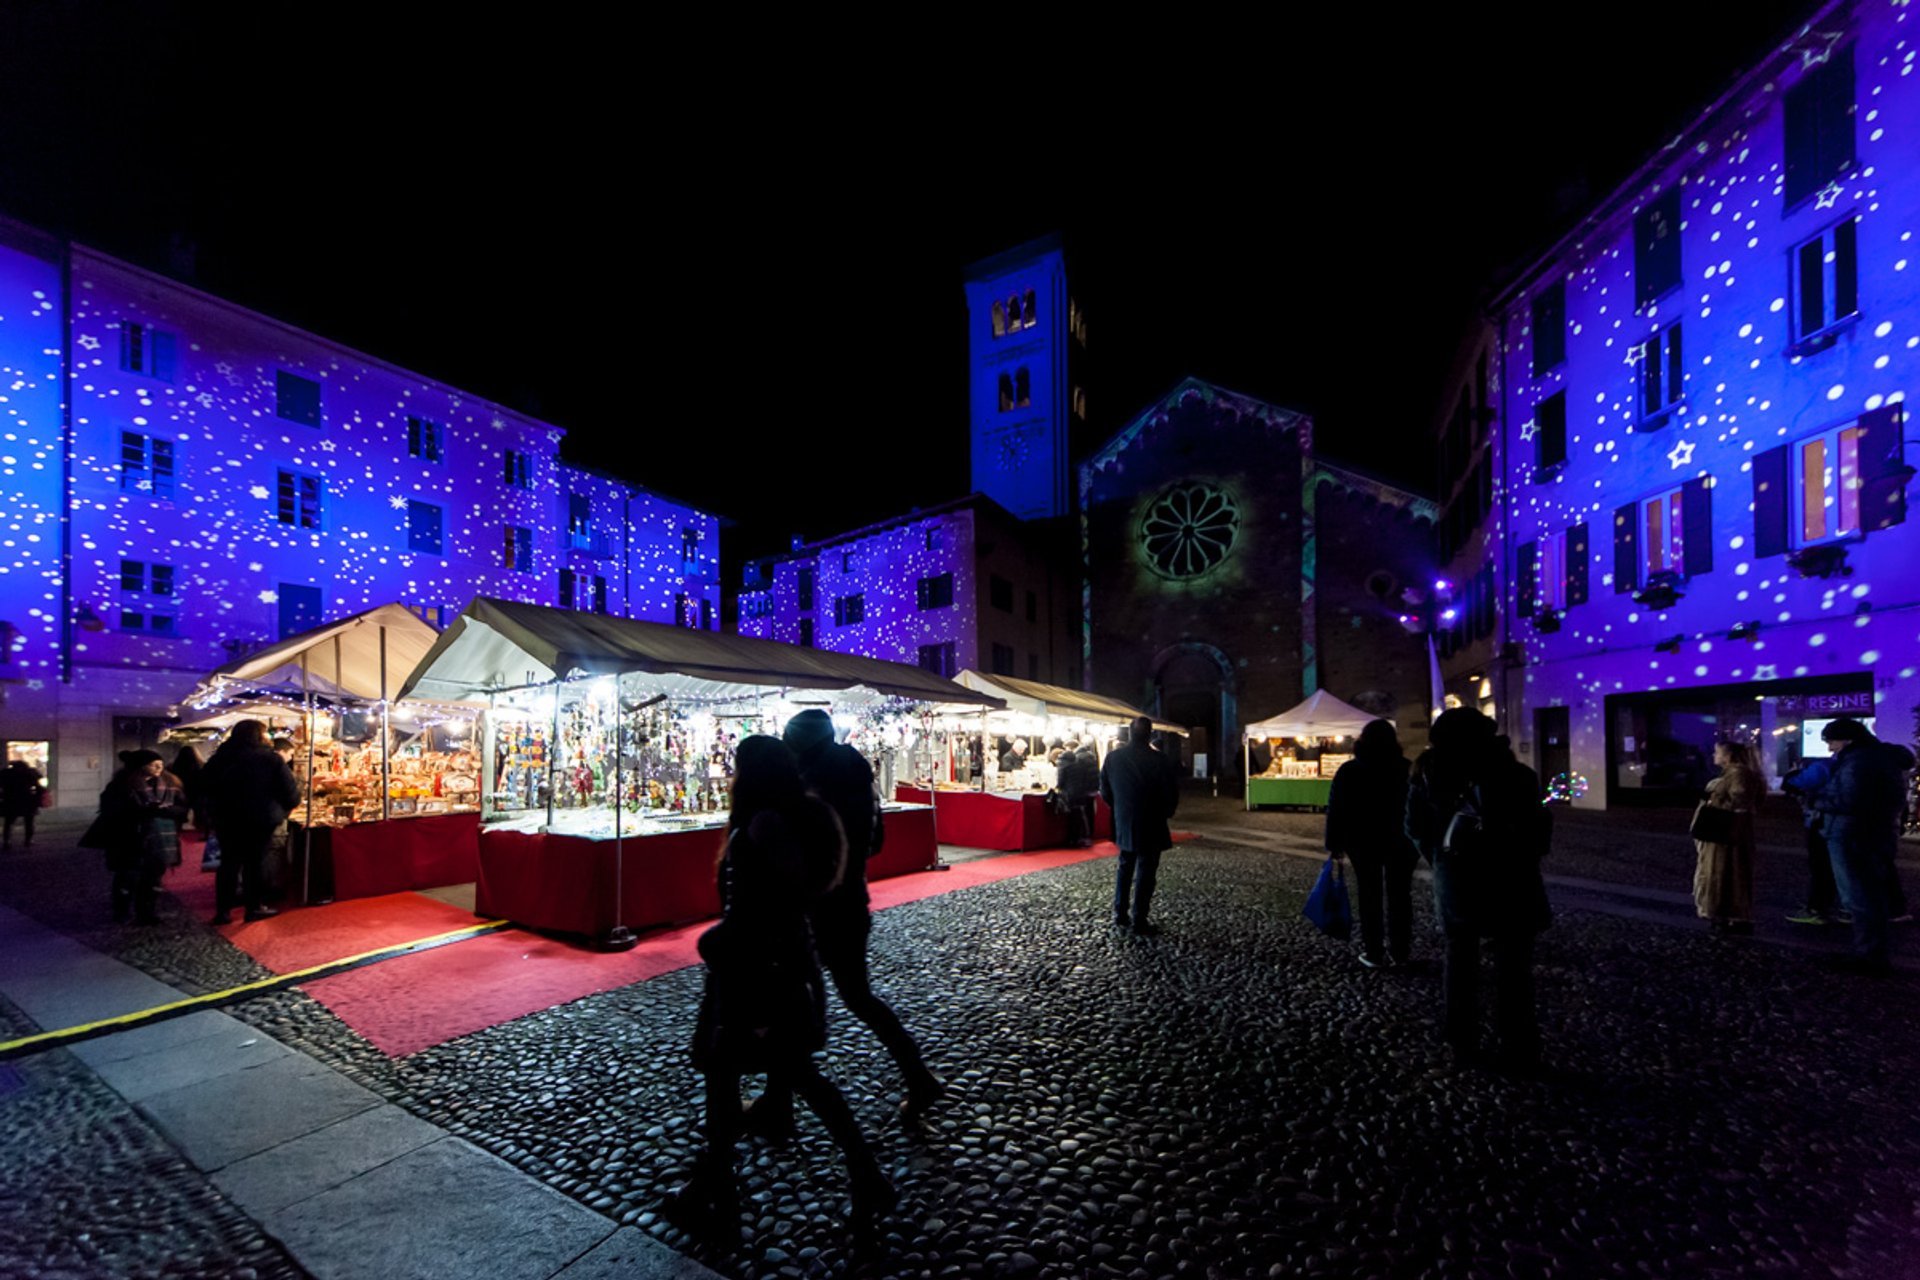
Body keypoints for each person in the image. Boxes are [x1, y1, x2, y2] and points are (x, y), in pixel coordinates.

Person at [666, 735, 896, 1239]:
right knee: (743, 1072)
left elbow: (778, 895)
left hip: (758, 966)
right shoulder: (789, 815)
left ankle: (723, 1189)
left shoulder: (766, 823)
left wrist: (728, 935)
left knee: (767, 1072)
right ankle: (717, 1186)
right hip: (764, 961)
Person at [744, 710, 942, 1135]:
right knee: (836, 997)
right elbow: (877, 839)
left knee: (809, 999)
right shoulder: (854, 772)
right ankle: (779, 1100)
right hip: (848, 895)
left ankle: (915, 1078)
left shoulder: (812, 782)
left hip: (820, 902)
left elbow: (803, 849)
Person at [1405, 708, 1551, 1071]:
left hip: (1458, 884)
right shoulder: (1518, 776)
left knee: (1459, 965)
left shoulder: (1428, 776)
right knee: (1514, 970)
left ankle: (1462, 1045)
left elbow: (1414, 828)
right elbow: (1538, 833)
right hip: (1513, 881)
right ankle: (1518, 1047)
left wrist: (1441, 859)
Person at [1810, 718, 1915, 975]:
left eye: (1831, 741)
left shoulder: (1859, 762)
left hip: (1853, 835)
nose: (1830, 748)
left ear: (1848, 739)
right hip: (1873, 833)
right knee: (1870, 893)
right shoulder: (1881, 758)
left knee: (1859, 896)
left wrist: (1815, 798)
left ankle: (1869, 954)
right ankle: (1870, 950)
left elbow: (1849, 799)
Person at [1325, 719, 1418, 969]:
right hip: (1400, 840)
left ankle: (1374, 951)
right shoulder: (1405, 768)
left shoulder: (1349, 771)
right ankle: (1401, 950)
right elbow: (1417, 806)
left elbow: (1337, 808)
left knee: (1369, 895)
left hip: (1362, 841)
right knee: (1400, 896)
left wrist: (1334, 843)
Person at [200, 719, 300, 924]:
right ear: (258, 735)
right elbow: (289, 791)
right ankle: (253, 907)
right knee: (254, 863)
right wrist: (284, 808)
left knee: (229, 863)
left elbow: (204, 786)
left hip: (227, 818)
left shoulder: (220, 758)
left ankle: (224, 910)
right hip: (260, 818)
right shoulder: (269, 759)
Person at [1101, 715, 1180, 935]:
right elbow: (1171, 792)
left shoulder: (1113, 758)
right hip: (1153, 821)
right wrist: (1166, 812)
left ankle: (1120, 913)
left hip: (1125, 820)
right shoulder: (1160, 760)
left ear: (1128, 733)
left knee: (1125, 866)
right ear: (1150, 734)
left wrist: (1120, 809)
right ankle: (1139, 918)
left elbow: (1105, 790)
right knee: (1146, 871)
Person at [96, 750, 188, 924]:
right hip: (130, 836)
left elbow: (182, 808)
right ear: (139, 766)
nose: (158, 766)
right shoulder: (122, 785)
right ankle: (122, 911)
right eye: (152, 763)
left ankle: (147, 912)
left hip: (161, 836)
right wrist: (141, 810)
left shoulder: (171, 783)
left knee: (153, 876)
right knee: (128, 875)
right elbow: (111, 809)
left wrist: (165, 810)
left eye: (159, 763)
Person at [1692, 741, 1765, 935]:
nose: (1713, 755)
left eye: (1717, 752)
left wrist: (1714, 799)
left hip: (1727, 833)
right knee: (1727, 873)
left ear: (1728, 755)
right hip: (1728, 832)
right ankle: (1726, 913)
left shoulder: (1739, 774)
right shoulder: (1735, 773)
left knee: (1726, 873)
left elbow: (1740, 799)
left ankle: (1728, 914)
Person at [1782, 757, 1842, 926]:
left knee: (1821, 866)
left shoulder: (1824, 766)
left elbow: (1795, 783)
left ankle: (1817, 908)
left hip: (1822, 821)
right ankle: (1840, 909)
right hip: (1845, 824)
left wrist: (1793, 773)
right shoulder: (1854, 764)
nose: (1830, 747)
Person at [1057, 744, 1101, 848]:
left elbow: (1060, 782)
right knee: (1080, 816)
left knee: (1071, 818)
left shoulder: (1063, 766)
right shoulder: (1080, 764)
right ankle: (1081, 838)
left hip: (1069, 795)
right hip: (1082, 793)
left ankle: (1072, 839)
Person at [1, 757, 47, 850]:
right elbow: (38, 787)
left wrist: (3, 795)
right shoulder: (30, 773)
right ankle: (28, 841)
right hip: (27, 800)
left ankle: (7, 841)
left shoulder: (6, 773)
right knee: (29, 822)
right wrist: (39, 796)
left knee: (9, 822)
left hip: (10, 800)